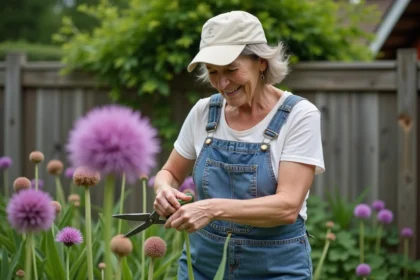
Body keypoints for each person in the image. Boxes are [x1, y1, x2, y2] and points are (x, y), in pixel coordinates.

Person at [153, 10, 325, 280]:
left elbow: (288, 206)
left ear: (261, 62)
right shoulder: (203, 112)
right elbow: (170, 173)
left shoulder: (299, 116)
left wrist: (209, 208)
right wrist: (163, 189)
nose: (222, 84)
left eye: (232, 70)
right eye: (212, 72)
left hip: (275, 266)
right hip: (203, 264)